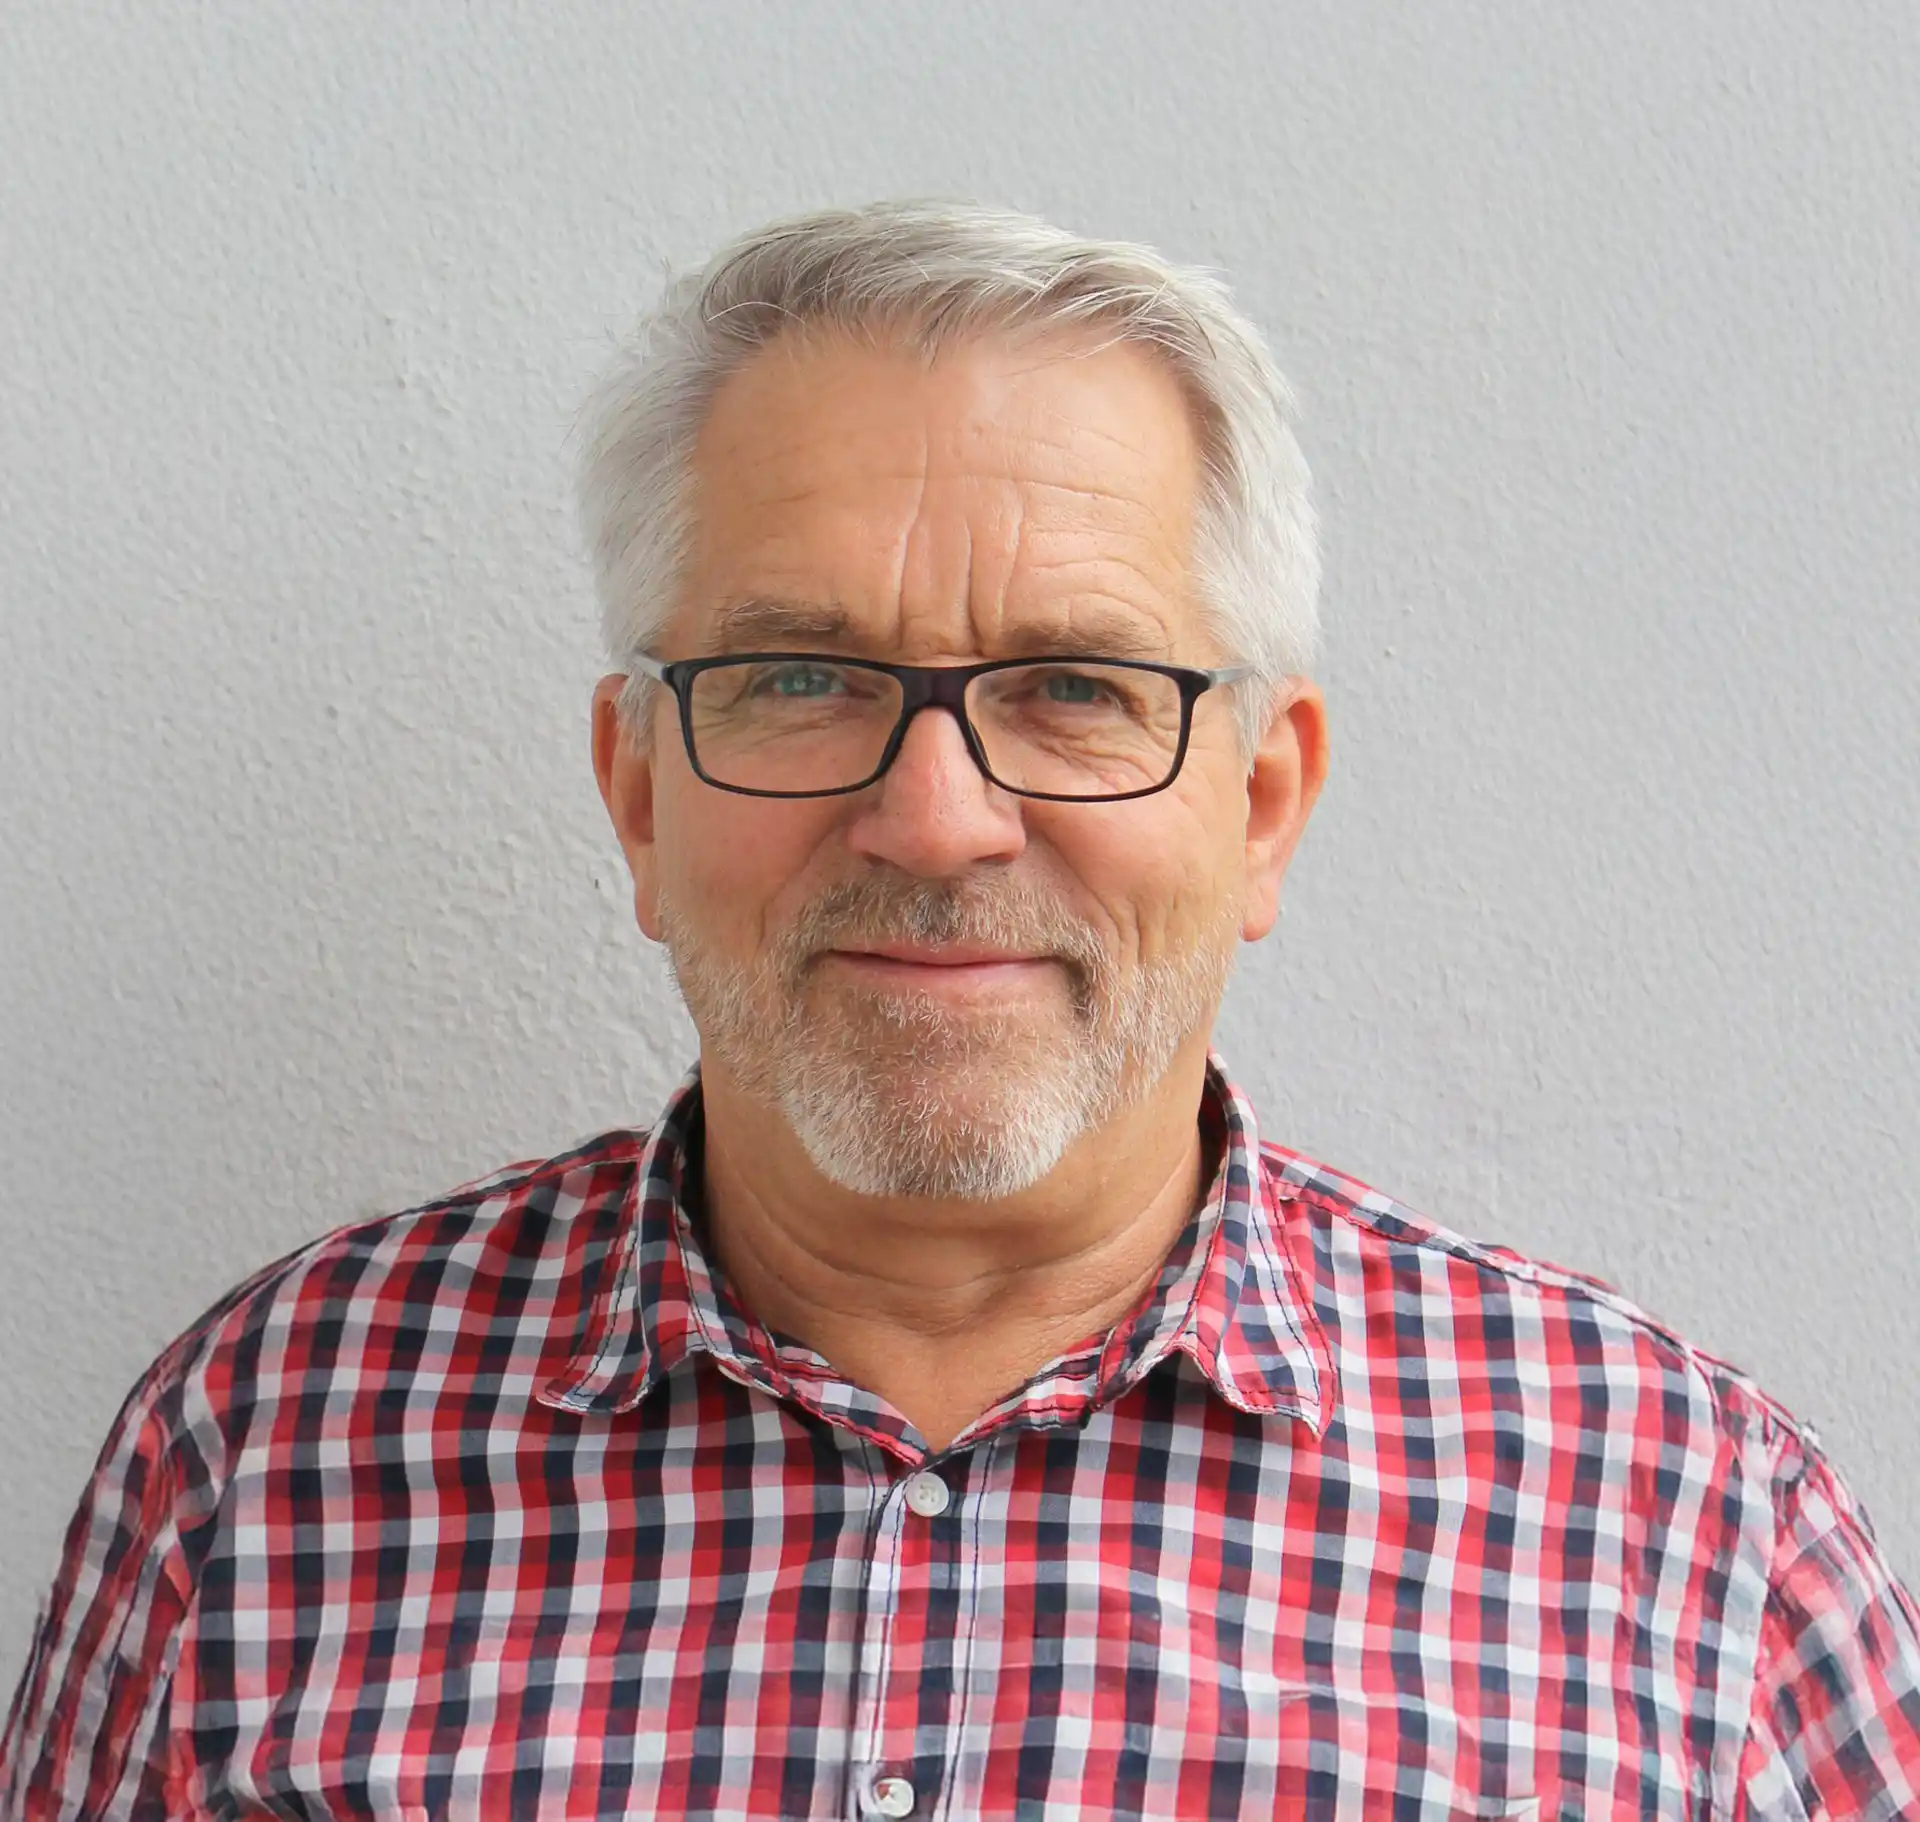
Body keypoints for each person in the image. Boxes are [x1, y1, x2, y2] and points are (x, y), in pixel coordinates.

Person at [4, 200, 1916, 1822]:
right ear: (640, 795)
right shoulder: (253, 1459)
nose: (936, 820)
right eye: (798, 675)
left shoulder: (1697, 1543)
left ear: (1260, 804)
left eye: (1075, 685)